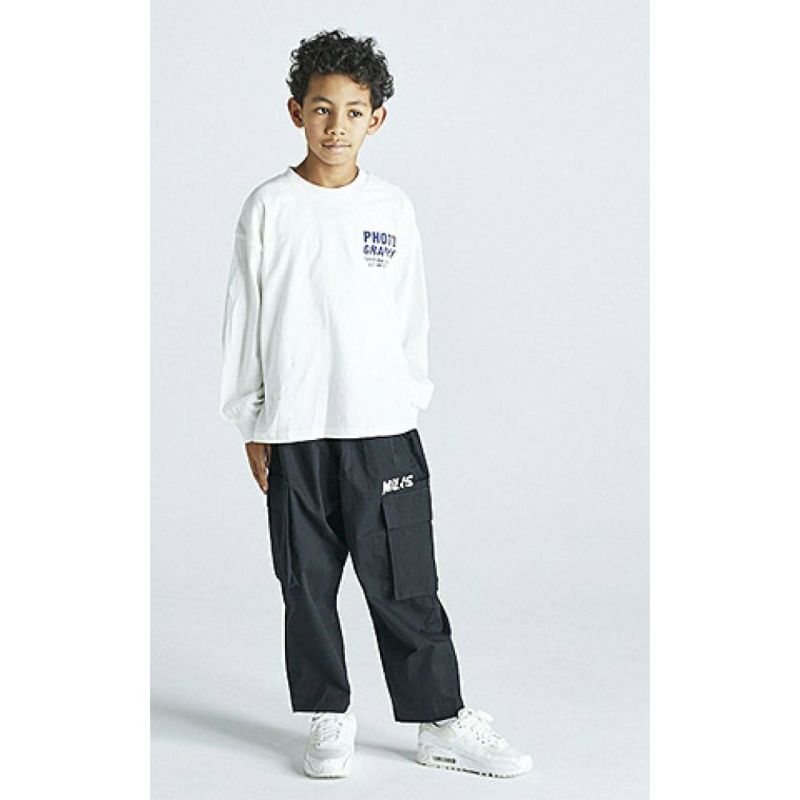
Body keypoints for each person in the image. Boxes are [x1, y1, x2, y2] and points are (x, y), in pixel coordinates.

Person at [219, 28, 532, 780]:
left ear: (377, 119)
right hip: (296, 428)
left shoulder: (390, 207)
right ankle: (328, 715)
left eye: (353, 112)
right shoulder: (270, 207)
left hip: (382, 427)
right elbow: (244, 317)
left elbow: (409, 314)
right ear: (296, 112)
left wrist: (405, 399)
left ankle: (440, 720)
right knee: (307, 583)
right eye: (322, 109)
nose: (336, 126)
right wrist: (252, 421)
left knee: (405, 579)